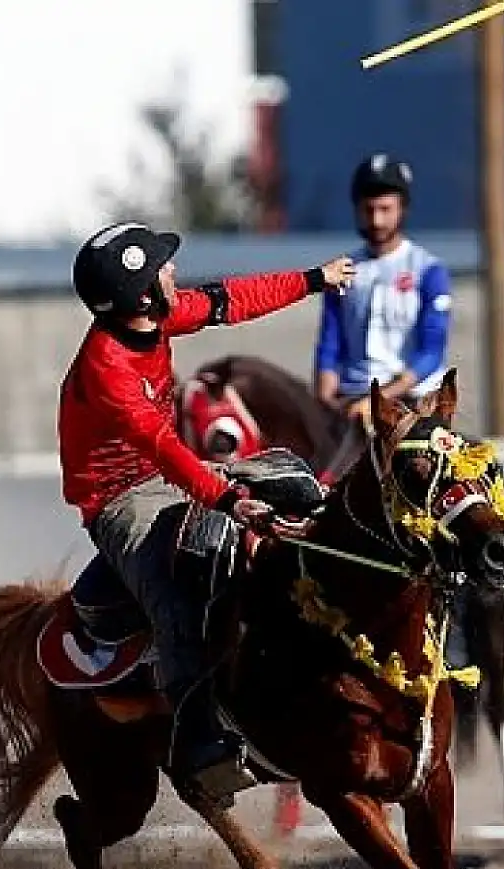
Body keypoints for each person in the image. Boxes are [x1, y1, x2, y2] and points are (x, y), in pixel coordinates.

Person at [60, 221, 355, 807]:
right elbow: (162, 450)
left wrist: (312, 280)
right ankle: (198, 744)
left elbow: (231, 301)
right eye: (161, 270)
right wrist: (228, 500)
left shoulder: (150, 316)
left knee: (290, 480)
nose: (173, 273)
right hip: (119, 499)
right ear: (143, 296)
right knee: (171, 599)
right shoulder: (107, 366)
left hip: (170, 473)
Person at [312, 153, 454, 479]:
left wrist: (382, 399)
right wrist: (325, 394)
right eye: (368, 210)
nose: (376, 220)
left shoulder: (427, 270)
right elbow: (330, 344)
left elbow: (432, 351)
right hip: (352, 399)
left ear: (402, 208)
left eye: (385, 210)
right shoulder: (343, 269)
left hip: (411, 399)